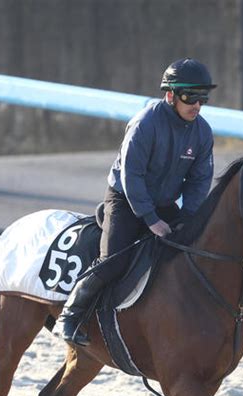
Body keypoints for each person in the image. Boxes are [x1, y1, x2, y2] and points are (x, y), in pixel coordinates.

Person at [57, 58, 217, 346]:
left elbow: (199, 180)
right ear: (170, 95)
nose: (197, 105)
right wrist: (151, 219)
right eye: (190, 96)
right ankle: (70, 315)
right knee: (113, 261)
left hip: (165, 202)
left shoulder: (203, 132)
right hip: (126, 199)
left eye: (202, 98)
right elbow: (132, 176)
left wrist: (189, 217)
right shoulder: (145, 123)